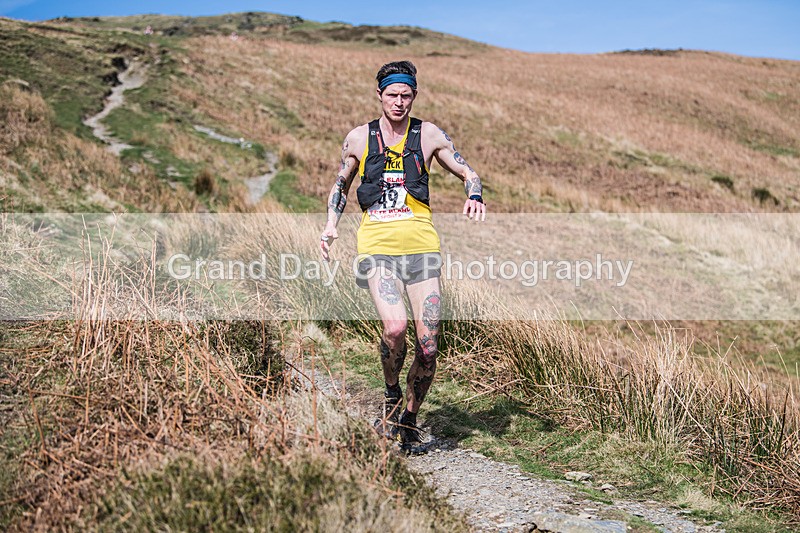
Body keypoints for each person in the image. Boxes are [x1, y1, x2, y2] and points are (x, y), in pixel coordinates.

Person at [320, 60, 486, 453]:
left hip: (422, 248)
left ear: (414, 96)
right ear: (379, 95)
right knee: (395, 329)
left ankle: (408, 418)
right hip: (377, 248)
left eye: (406, 95)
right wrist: (331, 225)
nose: (399, 102)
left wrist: (474, 194)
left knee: (428, 346)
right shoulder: (359, 138)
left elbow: (468, 172)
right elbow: (341, 184)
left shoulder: (427, 134)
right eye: (392, 95)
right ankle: (392, 392)